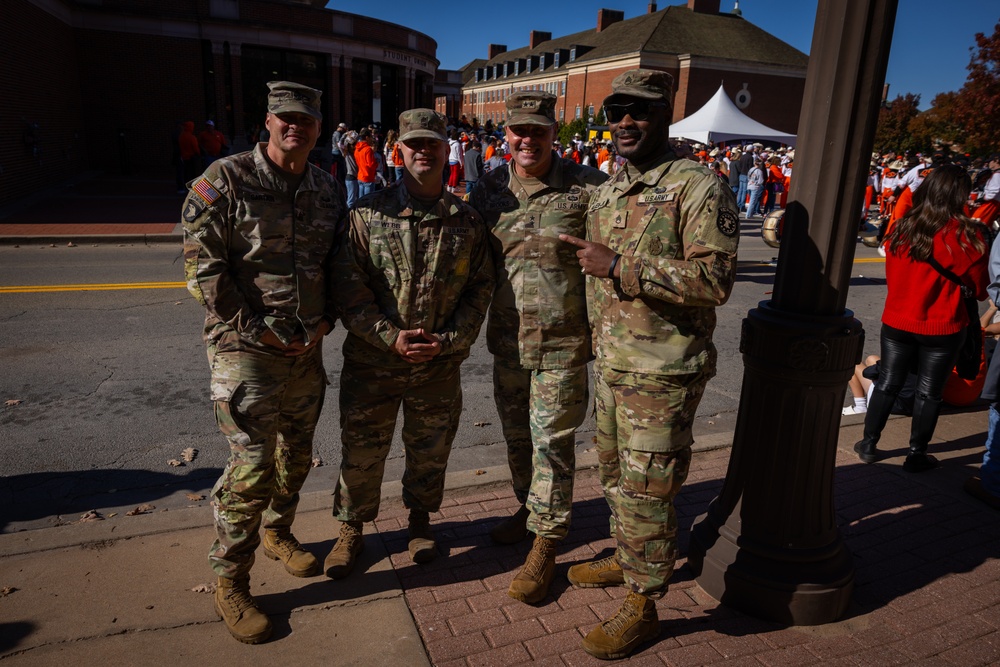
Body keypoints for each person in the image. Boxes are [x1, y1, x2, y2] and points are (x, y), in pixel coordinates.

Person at [558, 69, 739, 660]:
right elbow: (590, 277)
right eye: (616, 113)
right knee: (614, 477)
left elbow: (715, 279)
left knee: (647, 488)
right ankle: (626, 554)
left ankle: (644, 602)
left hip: (662, 373)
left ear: (664, 116)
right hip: (614, 366)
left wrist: (622, 267)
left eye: (638, 111)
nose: (625, 122)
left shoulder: (696, 186)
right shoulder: (610, 189)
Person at [182, 81, 347, 644]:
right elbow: (203, 272)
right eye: (284, 117)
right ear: (268, 123)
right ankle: (232, 578)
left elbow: (336, 265)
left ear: (318, 127)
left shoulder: (325, 187)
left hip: (307, 349)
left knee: (296, 453)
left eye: (305, 118)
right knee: (252, 464)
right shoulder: (224, 180)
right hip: (245, 351)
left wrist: (327, 323)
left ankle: (278, 531)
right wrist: (259, 331)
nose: (294, 126)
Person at [323, 109, 494, 577]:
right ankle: (351, 528)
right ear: (397, 151)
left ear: (446, 151)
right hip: (373, 362)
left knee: (430, 449)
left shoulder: (467, 221)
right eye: (413, 144)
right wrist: (389, 337)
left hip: (437, 364)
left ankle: (420, 520)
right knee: (361, 450)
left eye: (432, 144)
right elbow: (347, 286)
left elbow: (481, 289)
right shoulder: (366, 214)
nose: (423, 151)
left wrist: (450, 341)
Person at [468, 91, 607, 605]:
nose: (527, 140)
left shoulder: (590, 189)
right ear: (506, 135)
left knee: (552, 442)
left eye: (538, 131)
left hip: (564, 343)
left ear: (554, 134)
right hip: (507, 343)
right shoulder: (487, 191)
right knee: (517, 438)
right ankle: (529, 512)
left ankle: (547, 542)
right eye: (518, 131)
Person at [853, 164, 989, 473]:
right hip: (944, 326)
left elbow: (892, 273)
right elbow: (979, 290)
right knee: (930, 391)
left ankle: (869, 443)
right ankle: (917, 453)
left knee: (888, 383)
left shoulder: (902, 228)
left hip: (898, 320)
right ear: (960, 196)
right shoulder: (969, 236)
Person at [355, 128, 377, 199]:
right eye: (370, 137)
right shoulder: (368, 149)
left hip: (360, 176)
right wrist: (377, 163)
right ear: (367, 137)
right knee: (368, 201)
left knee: (361, 200)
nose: (371, 139)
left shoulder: (357, 149)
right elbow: (371, 164)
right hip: (368, 177)